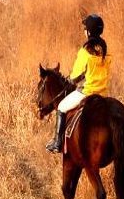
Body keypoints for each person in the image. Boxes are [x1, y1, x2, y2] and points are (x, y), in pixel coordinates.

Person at [46, 14, 111, 154]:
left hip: (87, 92)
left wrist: (70, 80)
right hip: (103, 94)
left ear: (88, 32)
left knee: (62, 107)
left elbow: (75, 76)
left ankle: (57, 142)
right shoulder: (105, 50)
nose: (84, 31)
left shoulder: (85, 51)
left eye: (85, 28)